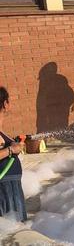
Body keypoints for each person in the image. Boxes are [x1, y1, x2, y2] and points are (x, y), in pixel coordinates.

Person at [0, 87, 26, 222]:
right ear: (5, 104)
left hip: (10, 184)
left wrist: (14, 145)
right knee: (13, 227)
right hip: (6, 187)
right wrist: (11, 150)